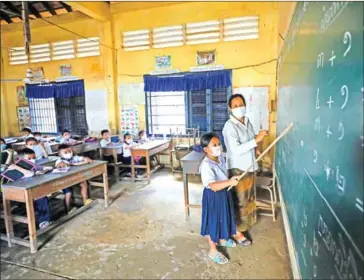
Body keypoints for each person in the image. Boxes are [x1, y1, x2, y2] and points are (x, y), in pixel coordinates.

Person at [222, 94, 267, 241]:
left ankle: (246, 225)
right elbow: (236, 149)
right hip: (238, 168)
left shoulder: (247, 121)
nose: (239, 108)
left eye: (241, 104)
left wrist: (256, 149)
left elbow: (250, 140)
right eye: (235, 106)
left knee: (249, 198)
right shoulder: (229, 127)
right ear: (230, 108)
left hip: (250, 166)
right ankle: (236, 231)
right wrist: (256, 140)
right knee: (239, 201)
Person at [199, 132, 243, 264]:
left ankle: (222, 239)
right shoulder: (206, 165)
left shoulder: (221, 158)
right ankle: (213, 250)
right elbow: (212, 186)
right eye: (214, 145)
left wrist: (231, 180)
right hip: (214, 196)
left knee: (224, 218)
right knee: (214, 221)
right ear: (206, 149)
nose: (218, 147)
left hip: (224, 193)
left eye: (219, 144)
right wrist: (229, 182)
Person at [2, 148, 52, 229]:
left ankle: (43, 220)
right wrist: (20, 169)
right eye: (29, 158)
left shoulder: (31, 166)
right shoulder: (13, 168)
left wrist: (39, 171)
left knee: (41, 196)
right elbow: (28, 174)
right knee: (40, 197)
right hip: (14, 195)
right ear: (19, 160)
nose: (32, 160)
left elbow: (45, 168)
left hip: (28, 192)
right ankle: (41, 219)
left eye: (33, 158)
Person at [55, 144, 93, 212]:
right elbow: (60, 165)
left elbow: (87, 159)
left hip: (74, 179)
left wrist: (85, 159)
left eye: (69, 151)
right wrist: (62, 164)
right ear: (60, 154)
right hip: (64, 181)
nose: (68, 153)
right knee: (68, 193)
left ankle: (85, 201)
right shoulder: (59, 160)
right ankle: (68, 209)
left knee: (83, 183)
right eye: (65, 152)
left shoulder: (74, 157)